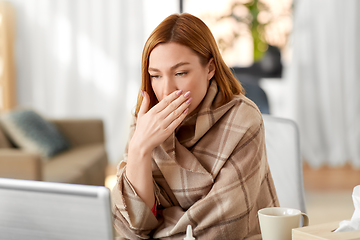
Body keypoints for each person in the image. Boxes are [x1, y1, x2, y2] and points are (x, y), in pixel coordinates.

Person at [112, 13, 279, 240]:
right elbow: (132, 226)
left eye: (180, 73)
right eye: (155, 76)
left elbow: (222, 227)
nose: (167, 90)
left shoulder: (243, 119)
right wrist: (140, 148)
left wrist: (160, 222)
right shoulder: (146, 118)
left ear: (210, 69)